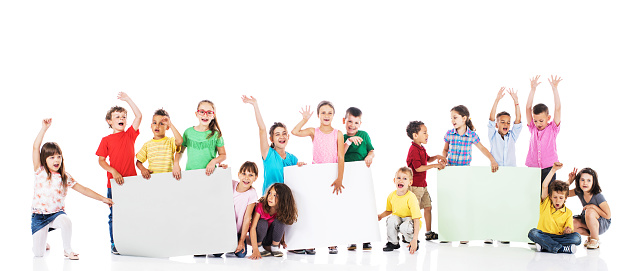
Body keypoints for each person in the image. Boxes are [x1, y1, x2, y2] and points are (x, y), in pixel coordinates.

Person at [33, 118, 113, 260]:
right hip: (39, 216)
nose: (56, 160)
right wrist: (44, 128)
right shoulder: (40, 171)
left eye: (58, 156)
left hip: (56, 215)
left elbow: (84, 189)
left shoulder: (65, 177)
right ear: (44, 159)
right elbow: (35, 147)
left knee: (66, 221)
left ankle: (67, 250)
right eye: (51, 157)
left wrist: (103, 198)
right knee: (38, 254)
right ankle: (43, 240)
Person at [291, 100, 345, 254]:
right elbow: (295, 132)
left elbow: (341, 156)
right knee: (314, 209)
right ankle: (312, 241)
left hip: (332, 175)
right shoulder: (313, 131)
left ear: (333, 115)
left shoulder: (338, 133)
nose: (326, 115)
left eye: (329, 112)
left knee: (330, 209)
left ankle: (331, 242)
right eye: (323, 112)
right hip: (316, 175)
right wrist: (304, 119)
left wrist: (339, 178)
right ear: (318, 115)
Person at [96, 92, 141, 254]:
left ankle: (132, 241)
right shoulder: (106, 140)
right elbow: (101, 161)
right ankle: (115, 244)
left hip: (132, 182)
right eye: (117, 116)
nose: (121, 118)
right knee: (114, 215)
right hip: (113, 184)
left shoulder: (129, 135)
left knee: (132, 212)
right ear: (109, 121)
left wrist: (128, 99)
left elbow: (139, 116)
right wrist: (113, 171)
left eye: (123, 116)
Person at [242, 95, 305, 195]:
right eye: (277, 134)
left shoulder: (293, 159)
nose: (282, 137)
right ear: (271, 139)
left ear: (288, 137)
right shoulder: (268, 154)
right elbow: (262, 129)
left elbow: (297, 181)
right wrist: (255, 105)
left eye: (284, 134)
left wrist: (302, 167)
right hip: (268, 201)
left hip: (284, 202)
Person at [527, 162, 581, 254]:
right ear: (550, 197)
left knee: (577, 238)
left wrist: (567, 231)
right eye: (555, 197)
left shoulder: (568, 212)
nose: (557, 201)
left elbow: (568, 231)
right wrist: (553, 170)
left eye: (561, 198)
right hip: (544, 234)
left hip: (558, 237)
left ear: (565, 198)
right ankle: (560, 248)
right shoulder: (546, 203)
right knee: (533, 233)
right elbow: (544, 186)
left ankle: (545, 246)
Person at [405, 121, 446, 242]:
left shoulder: (421, 148)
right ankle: (408, 234)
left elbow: (427, 159)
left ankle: (428, 232)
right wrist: (435, 166)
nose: (427, 135)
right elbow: (418, 168)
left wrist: (437, 156)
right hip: (415, 186)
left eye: (427, 132)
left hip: (423, 185)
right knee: (414, 211)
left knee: (428, 207)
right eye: (424, 132)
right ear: (415, 135)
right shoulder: (413, 149)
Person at [342, 107, 376, 251]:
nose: (352, 125)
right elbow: (339, 155)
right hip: (347, 174)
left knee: (364, 206)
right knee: (350, 206)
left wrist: (369, 156)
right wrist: (349, 141)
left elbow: (371, 150)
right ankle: (351, 238)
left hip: (362, 173)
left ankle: (366, 238)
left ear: (360, 124)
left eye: (356, 123)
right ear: (344, 121)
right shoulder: (342, 137)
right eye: (350, 121)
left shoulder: (364, 135)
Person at [173, 100, 226, 179]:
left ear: (213, 115)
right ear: (196, 114)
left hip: (210, 174)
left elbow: (223, 155)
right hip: (190, 174)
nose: (205, 115)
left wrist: (213, 161)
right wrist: (176, 164)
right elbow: (180, 151)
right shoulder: (188, 132)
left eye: (209, 112)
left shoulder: (216, 135)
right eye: (202, 112)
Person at [525, 75, 562, 185]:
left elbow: (558, 108)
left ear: (548, 118)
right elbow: (528, 108)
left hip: (549, 167)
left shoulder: (553, 128)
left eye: (541, 120)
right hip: (533, 167)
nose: (538, 124)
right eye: (535, 121)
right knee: (532, 194)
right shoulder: (532, 128)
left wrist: (554, 89)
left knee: (548, 195)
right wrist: (533, 89)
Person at [378, 167, 421, 254]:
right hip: (399, 218)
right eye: (398, 178)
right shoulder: (391, 196)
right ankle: (393, 242)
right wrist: (380, 216)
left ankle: (411, 241)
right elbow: (389, 210)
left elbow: (416, 219)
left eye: (404, 178)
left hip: (410, 221)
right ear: (394, 180)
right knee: (391, 220)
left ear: (410, 182)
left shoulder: (411, 197)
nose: (401, 180)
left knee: (404, 227)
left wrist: (415, 239)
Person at [248, 183, 298, 259]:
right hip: (258, 239)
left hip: (270, 240)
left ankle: (274, 247)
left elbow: (280, 228)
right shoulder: (261, 206)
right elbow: (253, 228)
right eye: (270, 193)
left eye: (275, 195)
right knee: (263, 223)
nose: (270, 197)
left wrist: (282, 241)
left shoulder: (280, 210)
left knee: (280, 221)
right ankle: (259, 247)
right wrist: (255, 249)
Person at [566, 167, 611, 249]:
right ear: (578, 181)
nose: (585, 183)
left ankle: (595, 239)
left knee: (590, 211)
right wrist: (570, 181)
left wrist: (593, 207)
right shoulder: (579, 191)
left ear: (593, 182)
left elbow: (608, 216)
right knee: (571, 224)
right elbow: (563, 193)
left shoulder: (598, 196)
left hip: (601, 222)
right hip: (587, 220)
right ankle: (591, 235)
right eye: (582, 180)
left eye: (588, 180)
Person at [135, 109, 183, 179]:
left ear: (167, 127)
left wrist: (170, 123)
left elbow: (180, 141)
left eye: (161, 123)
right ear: (151, 126)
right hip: (153, 179)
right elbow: (138, 162)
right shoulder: (147, 145)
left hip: (169, 178)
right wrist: (143, 169)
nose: (157, 126)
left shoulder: (170, 141)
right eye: (154, 123)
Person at [488, 87, 523, 167]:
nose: (505, 124)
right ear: (496, 125)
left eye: (508, 123)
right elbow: (491, 119)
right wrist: (497, 100)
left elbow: (518, 120)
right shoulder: (493, 136)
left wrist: (516, 102)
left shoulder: (512, 136)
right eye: (502, 122)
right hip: (496, 170)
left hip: (511, 170)